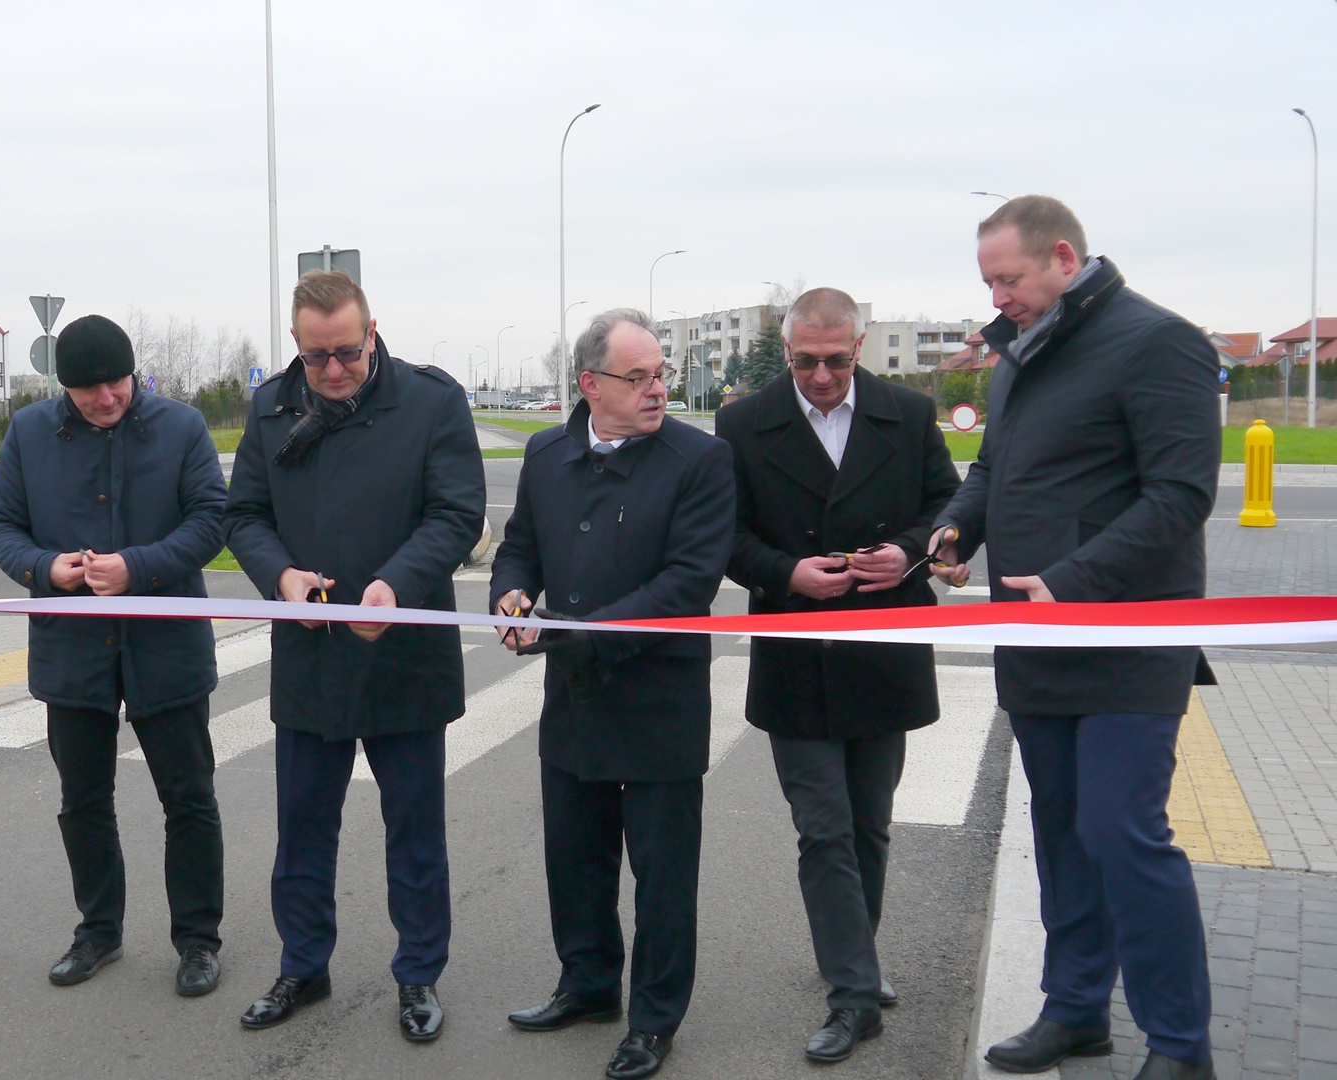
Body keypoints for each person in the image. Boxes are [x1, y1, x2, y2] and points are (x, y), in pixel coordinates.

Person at [931, 196, 1221, 1080]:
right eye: (988, 281)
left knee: (1121, 830)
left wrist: (1074, 579)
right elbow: (995, 468)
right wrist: (954, 531)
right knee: (1059, 829)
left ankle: (1181, 1046)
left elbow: (1180, 494)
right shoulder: (1020, 353)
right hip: (1036, 633)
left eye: (1008, 278)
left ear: (1063, 257)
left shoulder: (1158, 341)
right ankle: (1076, 1008)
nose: (998, 297)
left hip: (1128, 635)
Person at [223, 269, 485, 1043]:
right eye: (315, 357)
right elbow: (243, 514)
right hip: (312, 656)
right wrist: (280, 575)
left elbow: (457, 512)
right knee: (302, 826)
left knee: (413, 828)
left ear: (372, 333)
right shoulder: (272, 408)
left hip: (404, 650)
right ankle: (303, 964)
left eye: (346, 351)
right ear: (297, 347)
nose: (333, 371)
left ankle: (418, 974)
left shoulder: (432, 403)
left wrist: (395, 586)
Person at [715, 287, 959, 1064]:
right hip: (795, 654)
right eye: (806, 361)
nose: (822, 377)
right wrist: (787, 572)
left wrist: (914, 550)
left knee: (868, 824)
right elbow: (724, 534)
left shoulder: (909, 413)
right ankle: (854, 995)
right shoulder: (744, 422)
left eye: (837, 360)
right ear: (786, 352)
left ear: (859, 346)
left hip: (884, 648)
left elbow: (950, 502)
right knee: (822, 829)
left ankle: (854, 953)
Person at [491, 308, 734, 1080]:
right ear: (591, 384)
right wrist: (512, 596)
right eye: (640, 377)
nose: (658, 388)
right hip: (575, 699)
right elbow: (518, 546)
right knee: (576, 858)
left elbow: (688, 584)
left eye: (661, 373)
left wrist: (571, 628)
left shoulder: (699, 461)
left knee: (662, 874)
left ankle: (654, 1019)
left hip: (659, 700)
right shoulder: (546, 453)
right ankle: (588, 984)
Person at [0, 314, 229, 999]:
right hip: (72, 652)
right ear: (63, 389)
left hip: (166, 645)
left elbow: (212, 519)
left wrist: (138, 568)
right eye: (88, 391)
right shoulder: (31, 433)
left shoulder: (181, 427)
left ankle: (198, 940)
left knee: (189, 798)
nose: (106, 399)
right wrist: (42, 569)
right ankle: (98, 931)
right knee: (83, 799)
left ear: (132, 373)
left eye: (116, 384)